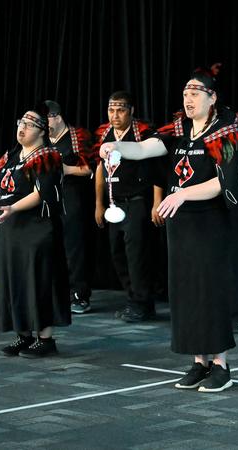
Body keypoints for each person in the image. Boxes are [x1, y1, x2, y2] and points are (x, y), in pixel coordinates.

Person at [103, 66, 238, 392]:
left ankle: (221, 365)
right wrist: (115, 148)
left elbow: (224, 181)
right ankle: (199, 362)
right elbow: (143, 149)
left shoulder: (226, 131)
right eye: (185, 93)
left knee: (209, 293)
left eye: (196, 92)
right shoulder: (178, 129)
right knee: (185, 293)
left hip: (210, 224)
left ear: (212, 97)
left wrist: (182, 193)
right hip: (180, 226)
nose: (188, 98)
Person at [0, 104, 70, 358]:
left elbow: (42, 193)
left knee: (38, 280)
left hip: (35, 229)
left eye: (29, 124)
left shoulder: (47, 156)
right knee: (15, 280)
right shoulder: (13, 156)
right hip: (10, 229)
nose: (22, 128)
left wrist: (13, 208)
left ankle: (45, 339)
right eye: (21, 122)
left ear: (42, 131)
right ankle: (23, 334)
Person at [93, 91, 160, 322]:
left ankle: (141, 303)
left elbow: (155, 170)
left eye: (120, 110)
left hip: (137, 202)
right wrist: (99, 204)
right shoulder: (105, 135)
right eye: (111, 110)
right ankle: (134, 299)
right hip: (114, 203)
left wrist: (156, 203)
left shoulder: (142, 134)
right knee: (117, 253)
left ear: (131, 111)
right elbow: (100, 170)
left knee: (137, 255)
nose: (115, 115)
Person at [46, 100, 94, 314]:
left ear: (56, 116)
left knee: (74, 247)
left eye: (45, 119)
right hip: (48, 200)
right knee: (49, 245)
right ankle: (56, 292)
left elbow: (89, 169)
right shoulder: (42, 139)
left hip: (72, 197)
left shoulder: (76, 137)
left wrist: (64, 169)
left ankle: (79, 294)